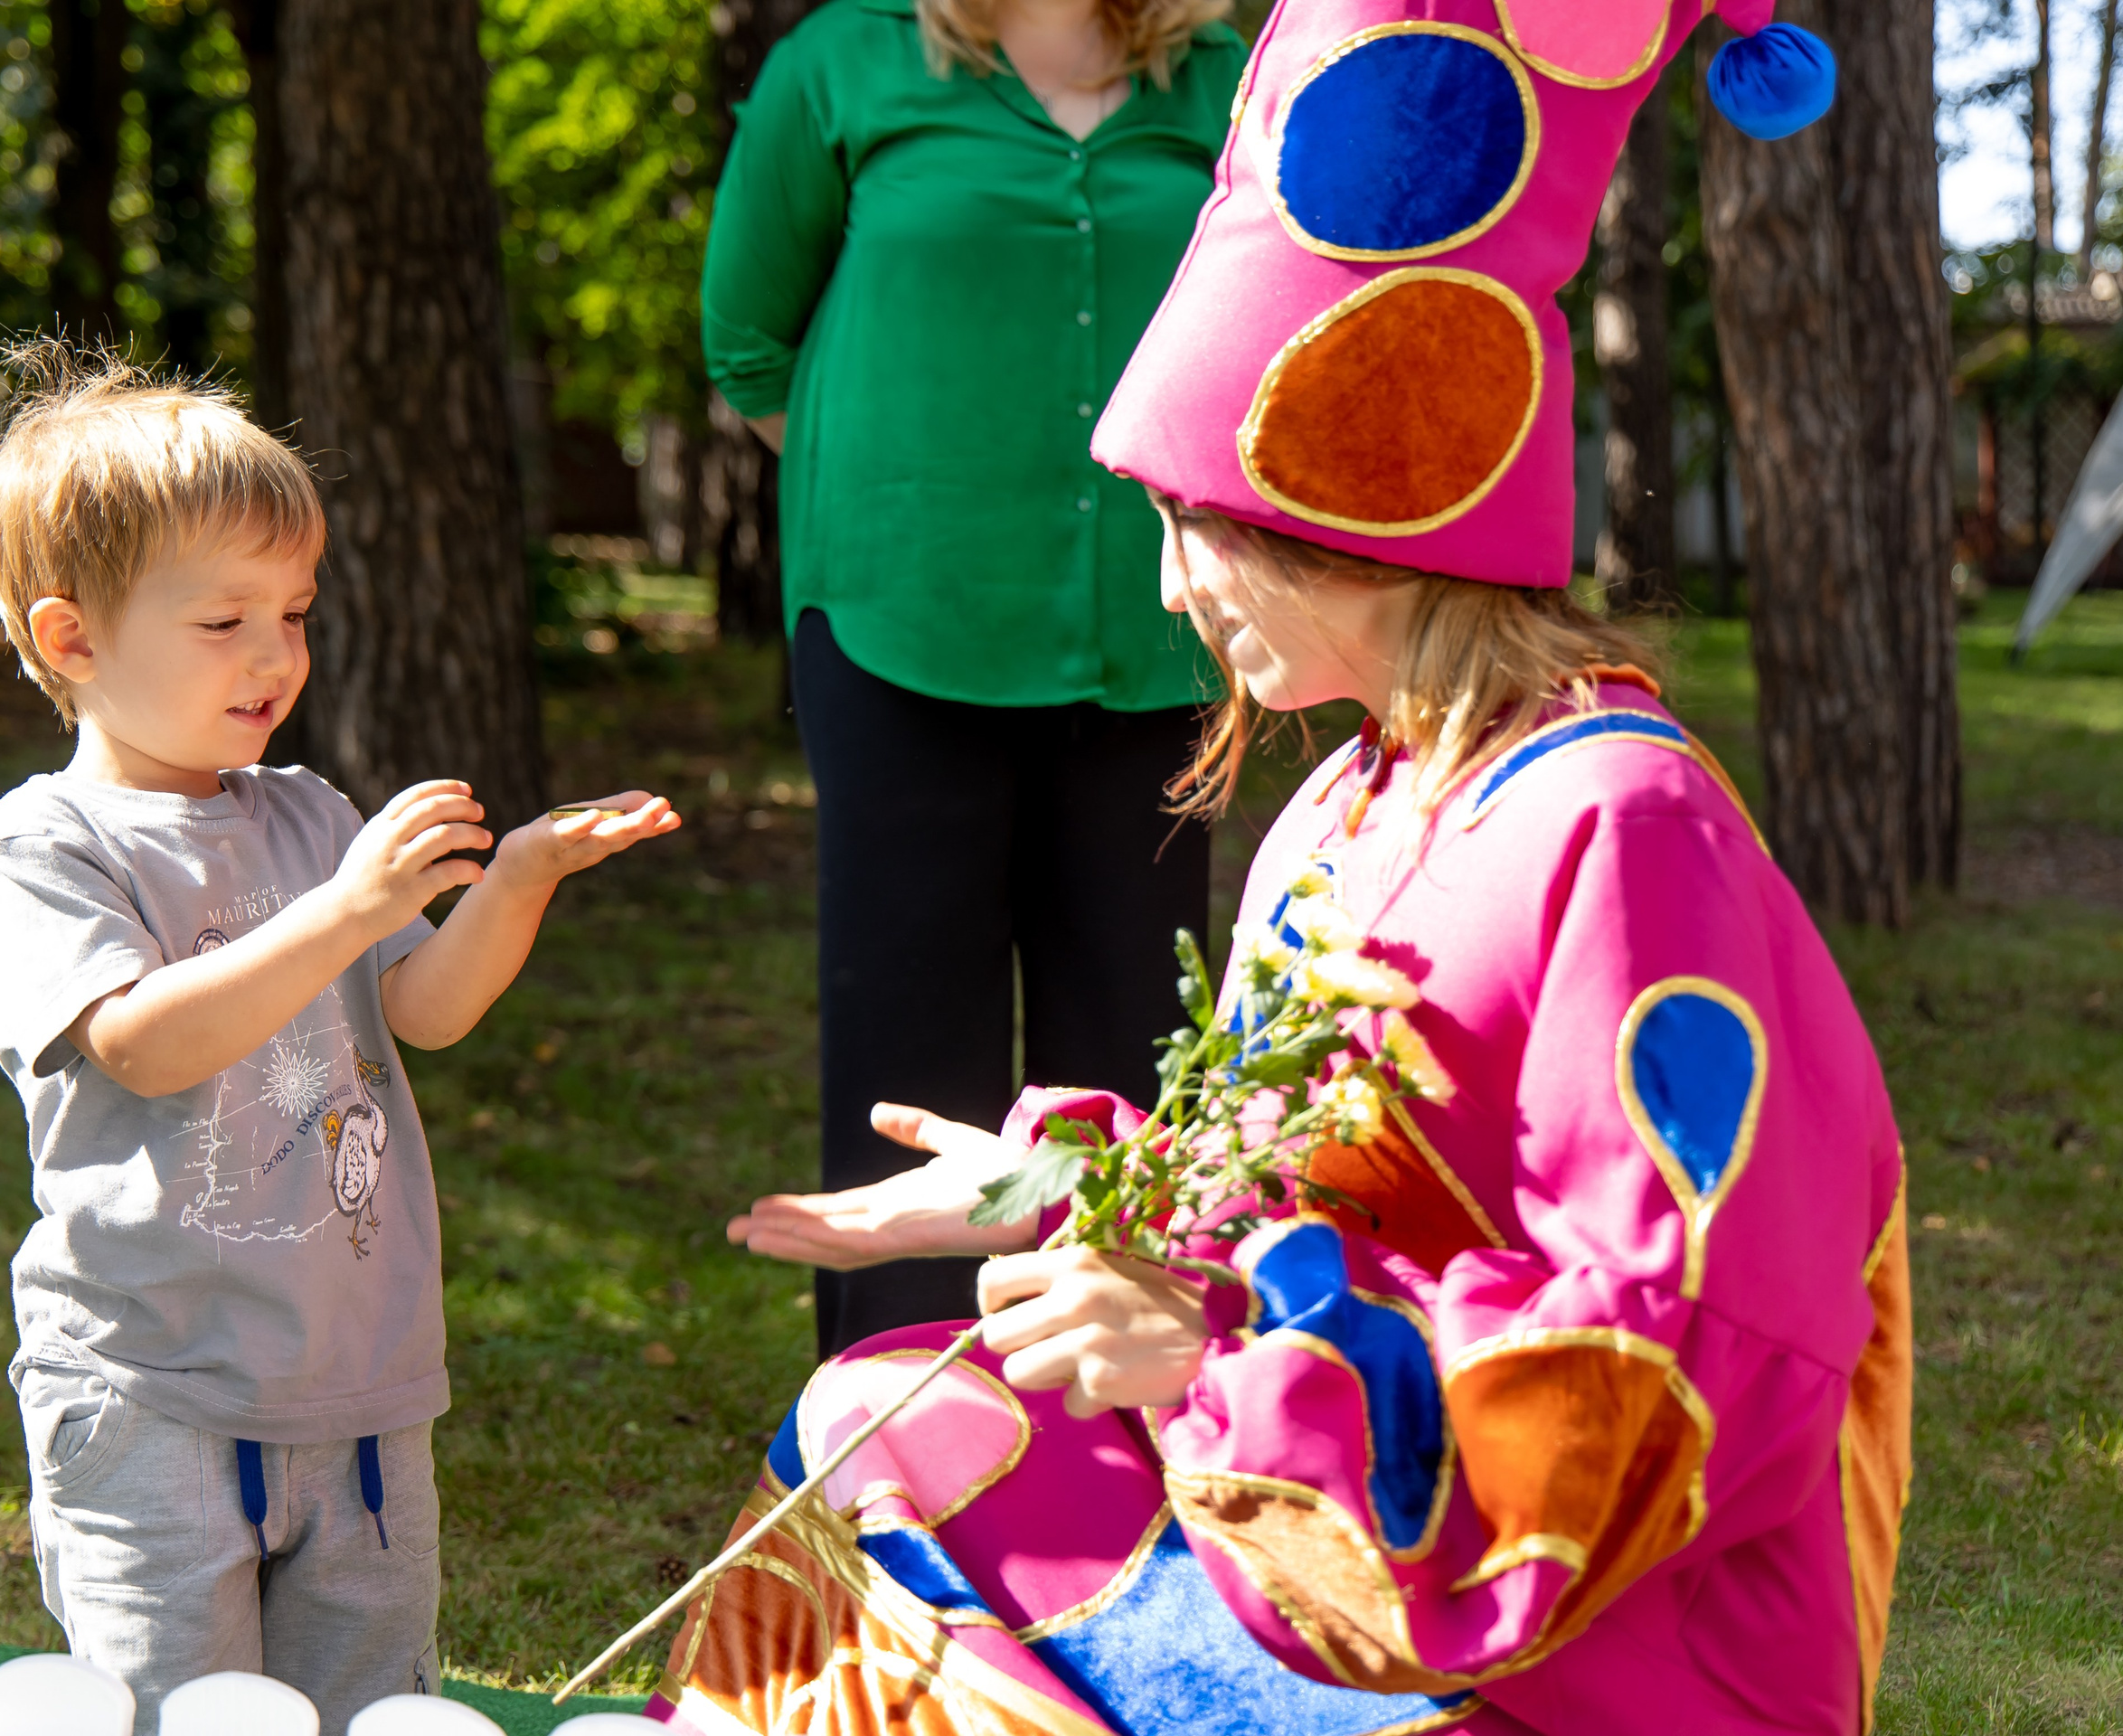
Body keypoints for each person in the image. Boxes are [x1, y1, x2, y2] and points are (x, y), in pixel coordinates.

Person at [683, 5, 1902, 1734]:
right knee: (887, 1412)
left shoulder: (1621, 831)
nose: (1172, 587)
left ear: (1361, 516)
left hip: (1567, 1653)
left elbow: (1687, 1356)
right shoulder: (1349, 806)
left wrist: (1220, 1363)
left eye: (1194, 526)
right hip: (1330, 1532)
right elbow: (1300, 1187)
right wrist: (1060, 1199)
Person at [0, 345, 680, 1734]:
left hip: (358, 1386)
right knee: (177, 1713)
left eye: (292, 611)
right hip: (153, 1394)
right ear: (73, 640)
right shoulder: (52, 839)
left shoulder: (307, 811)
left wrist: (513, 879)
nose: (277, 654)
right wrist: (347, 909)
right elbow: (145, 1045)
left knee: (364, 1706)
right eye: (224, 619)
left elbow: (424, 1010)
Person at [700, 0, 1249, 1356]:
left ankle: (1117, 1433)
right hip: (900, 636)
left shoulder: (1234, 81)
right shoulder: (847, 62)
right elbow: (748, 344)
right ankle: (904, 1451)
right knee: (906, 1064)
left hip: (1157, 638)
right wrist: (917, 499)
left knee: (1135, 1052)